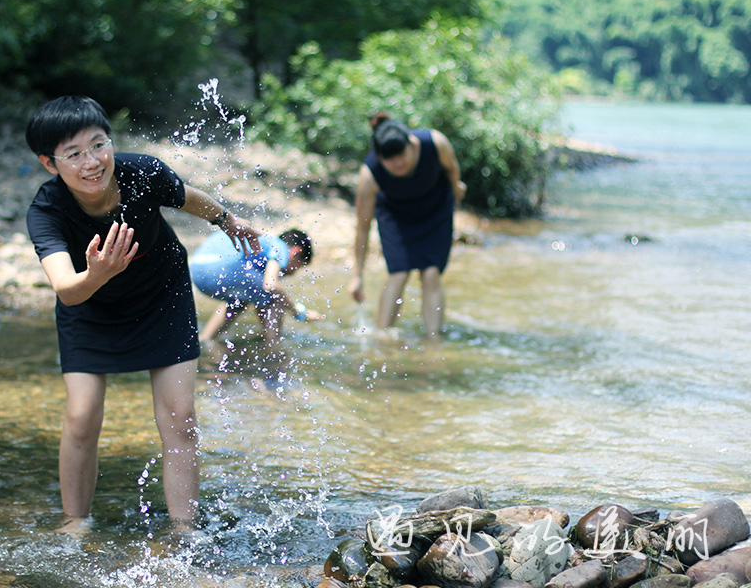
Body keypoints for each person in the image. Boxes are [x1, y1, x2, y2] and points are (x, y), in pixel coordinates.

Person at [24, 96, 261, 531]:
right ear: (49, 163)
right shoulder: (46, 211)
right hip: (89, 307)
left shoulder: (143, 174)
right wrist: (98, 274)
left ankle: (183, 527)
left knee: (179, 415)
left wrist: (229, 221)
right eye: (74, 154)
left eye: (99, 145)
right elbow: (66, 290)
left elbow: (190, 199)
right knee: (80, 417)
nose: (92, 161)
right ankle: (75, 522)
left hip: (160, 295)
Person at [350, 112, 466, 338]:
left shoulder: (434, 143)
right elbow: (362, 227)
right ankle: (383, 336)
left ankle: (434, 339)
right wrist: (358, 275)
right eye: (389, 159)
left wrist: (457, 188)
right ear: (379, 157)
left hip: (436, 206)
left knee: (431, 272)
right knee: (399, 272)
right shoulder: (369, 174)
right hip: (396, 215)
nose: (398, 163)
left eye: (401, 154)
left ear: (410, 144)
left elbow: (452, 169)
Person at [190, 228, 320, 345]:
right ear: (296, 252)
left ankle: (205, 341)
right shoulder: (280, 246)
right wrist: (299, 313)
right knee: (274, 297)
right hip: (222, 269)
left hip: (196, 270)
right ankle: (272, 347)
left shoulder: (264, 243)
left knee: (241, 299)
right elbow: (270, 285)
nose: (292, 274)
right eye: (297, 266)